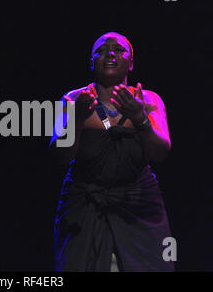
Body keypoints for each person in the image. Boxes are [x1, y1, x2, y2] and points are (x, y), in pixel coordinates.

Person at [50, 32, 174, 271]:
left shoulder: (148, 101)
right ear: (91, 62)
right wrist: (75, 120)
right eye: (100, 50)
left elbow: (160, 152)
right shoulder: (73, 99)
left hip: (138, 204)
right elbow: (59, 154)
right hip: (84, 206)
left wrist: (140, 118)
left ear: (131, 62)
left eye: (118, 49)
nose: (109, 53)